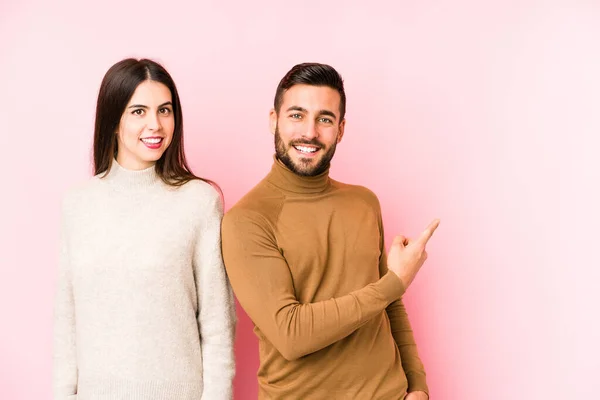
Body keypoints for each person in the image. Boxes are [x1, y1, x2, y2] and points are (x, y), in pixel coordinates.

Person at [222, 63, 439, 399]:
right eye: (296, 115)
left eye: (324, 119)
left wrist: (418, 384)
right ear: (273, 120)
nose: (309, 132)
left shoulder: (364, 203)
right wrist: (394, 282)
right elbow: (291, 334)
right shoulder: (247, 220)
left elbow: (390, 306)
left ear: (340, 129)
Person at [53, 58, 236, 400]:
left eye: (164, 110)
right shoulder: (77, 204)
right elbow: (67, 321)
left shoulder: (199, 201)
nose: (156, 124)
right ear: (113, 120)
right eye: (139, 111)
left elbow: (217, 326)